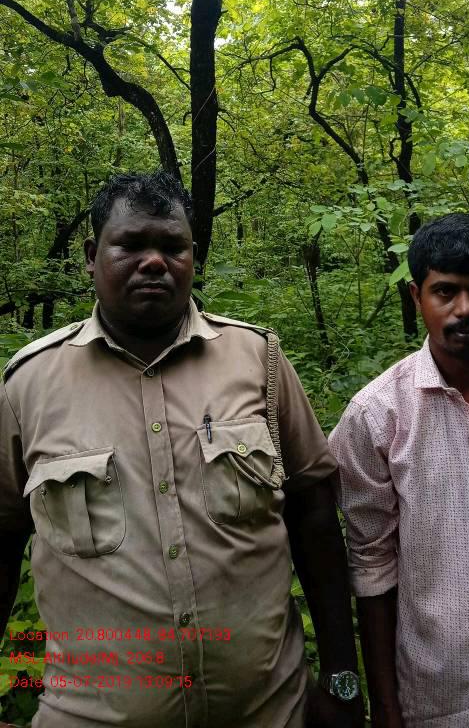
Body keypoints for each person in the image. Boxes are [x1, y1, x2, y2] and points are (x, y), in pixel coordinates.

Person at [0, 171, 364, 728]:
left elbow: (315, 520)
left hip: (268, 712)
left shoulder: (259, 362)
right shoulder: (27, 386)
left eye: (173, 247)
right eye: (131, 245)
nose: (154, 262)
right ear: (91, 255)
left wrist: (341, 678)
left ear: (194, 257)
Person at [329, 212, 469, 728]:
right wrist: (386, 708)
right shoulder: (376, 415)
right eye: (445, 291)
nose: (465, 309)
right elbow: (372, 568)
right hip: (434, 698)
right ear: (416, 296)